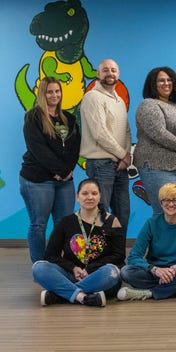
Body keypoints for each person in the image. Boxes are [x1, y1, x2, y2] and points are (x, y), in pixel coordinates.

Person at [32, 178, 124, 307]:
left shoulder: (112, 221)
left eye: (94, 193)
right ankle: (84, 297)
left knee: (112, 272)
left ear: (100, 196)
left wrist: (90, 269)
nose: (90, 197)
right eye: (85, 193)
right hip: (71, 274)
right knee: (39, 268)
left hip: (98, 275)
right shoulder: (65, 222)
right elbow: (51, 255)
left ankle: (60, 295)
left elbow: (119, 255)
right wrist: (73, 268)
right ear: (77, 197)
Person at [20, 76, 81, 263]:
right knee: (39, 224)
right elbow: (38, 148)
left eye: (57, 91)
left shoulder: (69, 118)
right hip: (37, 180)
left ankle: (60, 262)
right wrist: (59, 170)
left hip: (64, 181)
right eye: (50, 92)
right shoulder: (33, 117)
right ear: (42, 94)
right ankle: (40, 265)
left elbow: (75, 147)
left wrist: (67, 170)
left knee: (64, 225)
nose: (54, 95)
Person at [118, 183, 176, 300]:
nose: (171, 204)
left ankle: (149, 293)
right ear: (161, 203)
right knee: (126, 272)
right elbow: (134, 257)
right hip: (155, 272)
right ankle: (175, 289)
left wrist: (174, 268)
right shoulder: (151, 223)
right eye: (166, 200)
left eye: (175, 200)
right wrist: (155, 269)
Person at [134, 66, 176, 216]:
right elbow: (159, 133)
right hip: (157, 166)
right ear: (153, 84)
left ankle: (172, 241)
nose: (166, 83)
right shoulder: (148, 105)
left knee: (173, 213)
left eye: (169, 80)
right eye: (161, 80)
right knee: (164, 213)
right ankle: (157, 241)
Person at [80, 59, 131, 230]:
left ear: (118, 74)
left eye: (114, 70)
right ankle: (98, 256)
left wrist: (126, 156)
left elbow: (126, 131)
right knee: (100, 213)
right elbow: (99, 133)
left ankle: (117, 256)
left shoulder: (119, 101)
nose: (110, 73)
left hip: (120, 165)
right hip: (101, 164)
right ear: (98, 74)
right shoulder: (92, 97)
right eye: (105, 70)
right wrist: (122, 155)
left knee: (122, 214)